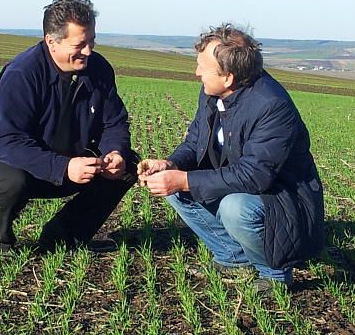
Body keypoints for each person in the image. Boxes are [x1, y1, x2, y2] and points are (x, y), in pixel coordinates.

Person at [138, 24, 325, 292]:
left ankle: (275, 275)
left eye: (203, 67)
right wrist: (171, 165)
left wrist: (185, 180)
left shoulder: (271, 105)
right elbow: (195, 141)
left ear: (228, 77)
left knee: (235, 208)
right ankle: (232, 258)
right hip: (245, 183)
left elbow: (254, 176)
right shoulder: (213, 92)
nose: (197, 72)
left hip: (285, 199)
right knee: (174, 188)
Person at [0, 0, 137, 254]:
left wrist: (114, 152)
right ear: (51, 41)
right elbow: (9, 143)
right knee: (10, 179)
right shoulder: (21, 74)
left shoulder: (99, 69)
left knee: (128, 165)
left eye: (92, 41)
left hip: (67, 158)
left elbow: (113, 123)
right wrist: (64, 167)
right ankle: (1, 241)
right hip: (7, 160)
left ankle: (64, 235)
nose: (88, 51)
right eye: (80, 44)